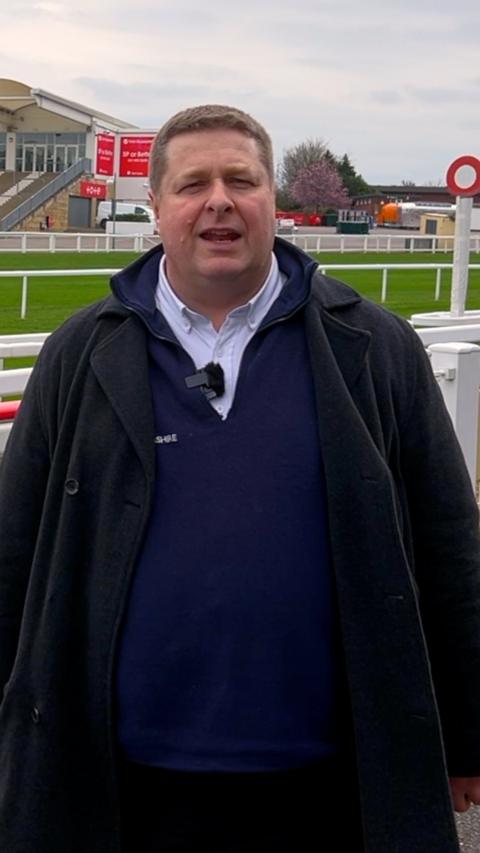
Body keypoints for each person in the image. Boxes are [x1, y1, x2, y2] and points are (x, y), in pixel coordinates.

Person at [0, 104, 479, 853]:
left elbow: (450, 543)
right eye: (192, 183)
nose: (218, 199)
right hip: (126, 786)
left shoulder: (374, 348)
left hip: (330, 785)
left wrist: (465, 735)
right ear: (155, 207)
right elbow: (15, 546)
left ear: (271, 203)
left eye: (240, 179)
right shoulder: (79, 354)